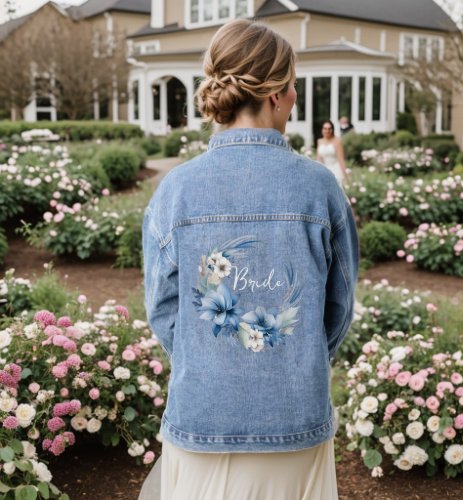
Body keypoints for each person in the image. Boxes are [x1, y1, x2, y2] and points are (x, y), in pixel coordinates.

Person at [141, 19, 358, 500]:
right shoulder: (318, 187)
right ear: (278, 94)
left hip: (202, 414)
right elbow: (338, 309)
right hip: (293, 417)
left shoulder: (175, 190)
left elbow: (163, 309)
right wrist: (297, 359)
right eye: (295, 85)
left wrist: (209, 359)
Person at [316, 120, 349, 185]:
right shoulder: (319, 141)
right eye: (325, 128)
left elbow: (341, 160)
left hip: (336, 171)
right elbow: (319, 159)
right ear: (322, 130)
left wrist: (346, 177)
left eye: (329, 129)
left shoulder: (337, 141)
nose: (327, 131)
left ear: (332, 130)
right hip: (324, 170)